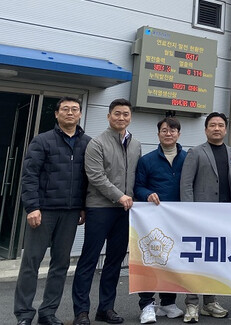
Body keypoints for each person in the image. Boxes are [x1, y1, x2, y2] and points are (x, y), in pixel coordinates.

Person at [14, 97, 90, 325]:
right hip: (43, 211)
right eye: (65, 109)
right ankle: (24, 314)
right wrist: (32, 207)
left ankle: (48, 312)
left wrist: (83, 206)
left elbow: (89, 179)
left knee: (60, 264)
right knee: (31, 263)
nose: (70, 113)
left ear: (80, 114)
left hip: (71, 213)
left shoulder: (88, 143)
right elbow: (29, 176)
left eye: (74, 109)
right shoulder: (42, 140)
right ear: (57, 114)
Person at [72, 98, 142, 325]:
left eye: (125, 114)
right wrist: (120, 196)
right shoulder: (97, 143)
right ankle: (81, 312)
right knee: (89, 260)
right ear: (109, 116)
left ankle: (106, 309)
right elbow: (96, 176)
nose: (121, 117)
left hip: (125, 211)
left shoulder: (135, 144)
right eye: (117, 113)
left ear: (130, 117)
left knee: (114, 261)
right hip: (100, 208)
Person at [180, 112, 231, 323]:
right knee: (196, 260)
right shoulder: (195, 152)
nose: (217, 128)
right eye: (212, 125)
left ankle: (210, 302)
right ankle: (191, 303)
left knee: (215, 260)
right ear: (206, 129)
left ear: (226, 129)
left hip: (224, 217)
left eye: (220, 125)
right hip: (200, 217)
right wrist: (189, 213)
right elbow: (186, 184)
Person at [133, 117, 187, 324]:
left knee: (173, 260)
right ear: (158, 134)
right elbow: (138, 187)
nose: (168, 133)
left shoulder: (188, 158)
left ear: (179, 134)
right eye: (164, 130)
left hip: (177, 220)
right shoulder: (147, 160)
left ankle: (168, 302)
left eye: (173, 130)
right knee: (149, 260)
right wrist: (147, 194)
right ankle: (147, 304)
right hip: (152, 220)